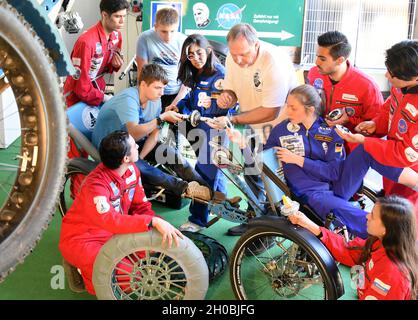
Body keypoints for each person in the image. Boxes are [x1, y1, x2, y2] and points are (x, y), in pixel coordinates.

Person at [227, 84, 418, 238]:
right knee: (359, 216)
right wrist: (242, 144)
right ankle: (395, 235)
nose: (287, 111)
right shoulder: (281, 130)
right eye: (287, 105)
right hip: (312, 193)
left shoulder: (329, 130)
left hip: (339, 185)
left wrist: (298, 160)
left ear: (309, 109)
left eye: (293, 107)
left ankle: (413, 180)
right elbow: (263, 163)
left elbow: (334, 172)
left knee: (365, 148)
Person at [59, 130, 184, 295]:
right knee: (126, 279)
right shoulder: (95, 186)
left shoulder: (132, 170)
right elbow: (110, 220)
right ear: (125, 158)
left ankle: (93, 267)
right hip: (83, 238)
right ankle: (80, 270)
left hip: (113, 232)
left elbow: (141, 207)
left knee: (155, 245)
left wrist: (156, 222)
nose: (138, 146)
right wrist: (150, 222)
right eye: (133, 145)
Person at [209, 23, 298, 236]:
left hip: (278, 127)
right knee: (250, 172)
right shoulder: (234, 57)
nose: (238, 59)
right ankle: (255, 218)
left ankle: (273, 229)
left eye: (243, 54)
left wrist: (234, 117)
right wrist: (228, 96)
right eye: (234, 53)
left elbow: (271, 111)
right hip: (251, 123)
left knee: (273, 180)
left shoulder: (272, 62)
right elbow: (232, 88)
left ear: (256, 44)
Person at [92, 63, 211, 201]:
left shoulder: (155, 100)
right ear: (143, 84)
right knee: (147, 170)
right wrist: (161, 118)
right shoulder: (128, 99)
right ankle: (186, 189)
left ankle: (209, 191)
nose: (161, 93)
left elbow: (154, 133)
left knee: (171, 154)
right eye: (157, 88)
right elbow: (134, 132)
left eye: (163, 88)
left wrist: (140, 157)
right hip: (111, 147)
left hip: (133, 142)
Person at [338, 40, 418, 215]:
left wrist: (365, 141)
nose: (387, 77)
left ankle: (333, 206)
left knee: (397, 230)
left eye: (392, 74)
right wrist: (375, 124)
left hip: (411, 175)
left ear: (415, 77)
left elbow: (405, 154)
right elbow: (388, 110)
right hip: (393, 171)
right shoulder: (401, 86)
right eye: (388, 70)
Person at [289, 195, 418, 300]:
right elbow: (349, 250)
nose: (367, 216)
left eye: (372, 215)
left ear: (386, 229)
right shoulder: (384, 242)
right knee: (357, 267)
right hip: (368, 286)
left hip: (380, 291)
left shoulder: (392, 274)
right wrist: (310, 225)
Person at [165, 34, 229, 232]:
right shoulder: (195, 73)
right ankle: (223, 205)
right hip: (198, 128)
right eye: (190, 55)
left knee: (204, 173)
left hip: (214, 130)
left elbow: (225, 107)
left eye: (199, 53)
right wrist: (179, 108)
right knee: (214, 171)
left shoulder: (220, 75)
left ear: (208, 50)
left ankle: (197, 220)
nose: (195, 58)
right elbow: (191, 100)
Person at [308, 31, 383, 145]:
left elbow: (378, 126)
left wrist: (349, 120)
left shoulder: (367, 86)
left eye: (322, 59)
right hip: (314, 143)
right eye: (317, 56)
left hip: (348, 149)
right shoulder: (313, 74)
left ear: (340, 60)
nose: (316, 62)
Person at [64, 0, 128, 110]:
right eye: (117, 16)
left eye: (124, 16)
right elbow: (80, 86)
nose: (122, 21)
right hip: (76, 100)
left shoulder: (117, 36)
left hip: (97, 91)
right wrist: (104, 98)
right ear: (104, 15)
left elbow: (107, 67)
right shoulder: (86, 42)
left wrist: (115, 65)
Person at [136, 7, 188, 108]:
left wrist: (175, 103)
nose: (168, 36)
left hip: (177, 94)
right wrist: (143, 98)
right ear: (155, 27)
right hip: (153, 93)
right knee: (153, 122)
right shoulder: (144, 38)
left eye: (172, 31)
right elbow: (142, 72)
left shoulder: (183, 41)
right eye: (164, 31)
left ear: (177, 26)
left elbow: (187, 78)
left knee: (181, 123)